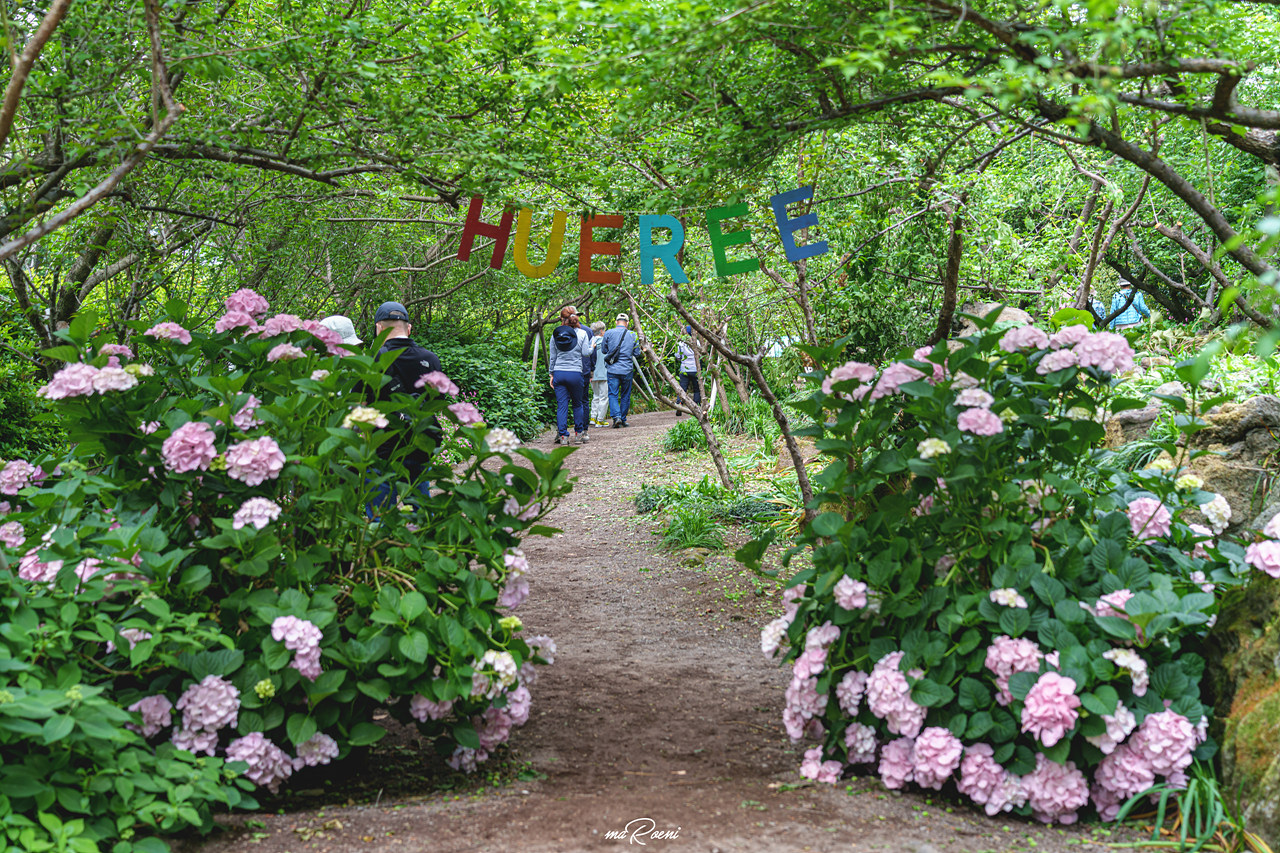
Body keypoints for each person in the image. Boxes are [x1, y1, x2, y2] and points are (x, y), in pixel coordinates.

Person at [368, 301, 442, 507]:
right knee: (419, 515)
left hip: (382, 450)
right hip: (419, 447)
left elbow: (362, 403)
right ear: (409, 329)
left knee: (379, 518)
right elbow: (437, 401)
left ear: (379, 329)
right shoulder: (431, 359)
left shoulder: (372, 360)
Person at [548, 305, 591, 445]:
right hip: (576, 373)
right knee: (577, 404)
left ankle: (563, 437)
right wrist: (593, 347)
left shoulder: (555, 335)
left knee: (562, 406)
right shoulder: (582, 334)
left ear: (562, 318)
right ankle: (579, 434)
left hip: (559, 373)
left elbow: (552, 357)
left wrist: (551, 374)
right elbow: (585, 353)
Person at [600, 312, 638, 428]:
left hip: (613, 370)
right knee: (625, 394)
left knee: (613, 394)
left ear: (616, 322)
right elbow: (637, 353)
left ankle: (616, 417)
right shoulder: (633, 335)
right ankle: (623, 418)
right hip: (627, 369)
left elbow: (603, 351)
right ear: (627, 323)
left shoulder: (609, 333)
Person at [675, 325, 701, 416]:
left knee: (682, 389)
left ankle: (679, 404)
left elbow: (678, 356)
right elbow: (700, 355)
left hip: (684, 369)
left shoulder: (681, 343)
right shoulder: (697, 342)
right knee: (697, 389)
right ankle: (696, 406)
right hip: (695, 369)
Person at [588, 320, 609, 426]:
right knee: (604, 397)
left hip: (592, 374)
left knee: (595, 396)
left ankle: (593, 417)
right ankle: (600, 419)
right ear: (601, 331)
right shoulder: (605, 342)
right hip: (604, 373)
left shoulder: (590, 341)